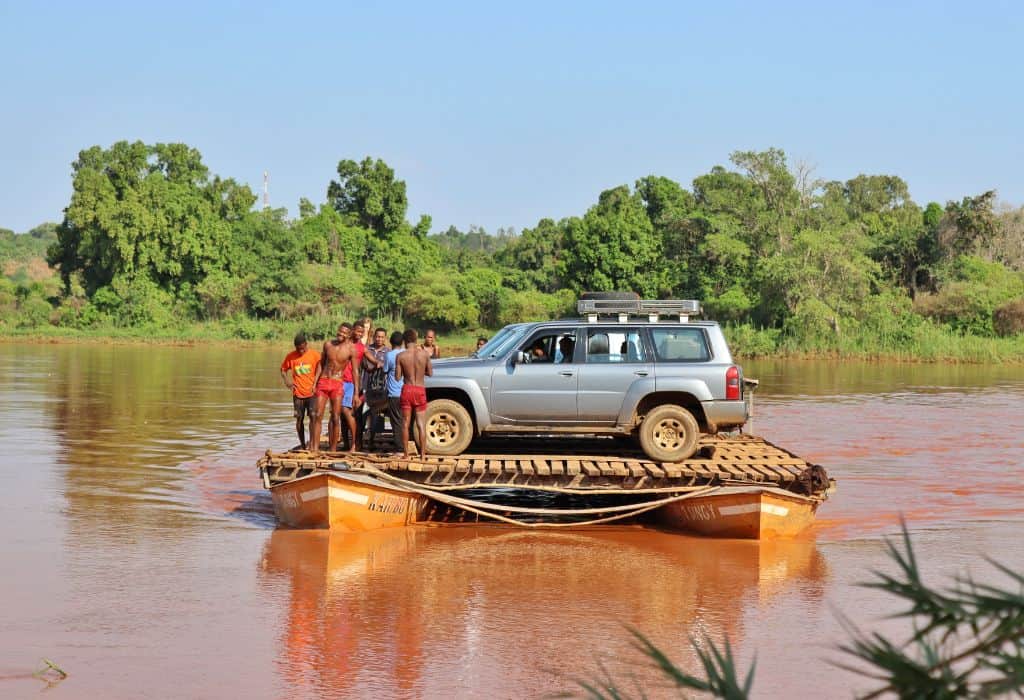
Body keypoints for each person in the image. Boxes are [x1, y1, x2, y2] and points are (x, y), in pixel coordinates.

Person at [310, 324, 360, 453]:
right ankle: (314, 448)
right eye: (340, 331)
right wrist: (315, 382)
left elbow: (355, 372)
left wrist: (355, 394)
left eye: (344, 333)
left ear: (349, 335)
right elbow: (321, 364)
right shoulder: (328, 344)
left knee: (335, 417)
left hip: (337, 383)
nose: (341, 334)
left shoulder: (351, 349)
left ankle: (333, 449)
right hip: (324, 381)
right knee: (317, 415)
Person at [341, 320, 380, 450]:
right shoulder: (344, 344)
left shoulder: (361, 347)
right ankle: (346, 444)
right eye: (358, 331)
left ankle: (356, 444)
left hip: (354, 384)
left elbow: (370, 359)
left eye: (362, 333)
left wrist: (378, 363)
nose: (359, 334)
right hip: (340, 382)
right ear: (352, 331)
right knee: (340, 415)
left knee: (353, 414)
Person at [395, 329, 433, 459]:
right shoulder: (425, 354)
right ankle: (422, 454)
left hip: (407, 389)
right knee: (421, 423)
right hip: (420, 389)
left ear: (405, 341)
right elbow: (430, 373)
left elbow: (397, 377)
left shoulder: (401, 356)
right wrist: (421, 372)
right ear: (416, 339)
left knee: (405, 423)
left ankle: (406, 454)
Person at [280, 333, 321, 449]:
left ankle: (312, 443)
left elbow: (321, 365)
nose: (301, 351)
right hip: (298, 393)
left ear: (306, 344)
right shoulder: (291, 356)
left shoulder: (314, 355)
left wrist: (316, 382)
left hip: (312, 391)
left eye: (303, 348)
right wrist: (286, 380)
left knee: (313, 416)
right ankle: (303, 445)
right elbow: (283, 369)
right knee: (299, 418)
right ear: (295, 347)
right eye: (298, 349)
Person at [360, 327, 389, 449]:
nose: (379, 339)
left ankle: (372, 439)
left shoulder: (388, 352)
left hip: (380, 388)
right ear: (374, 337)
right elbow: (363, 365)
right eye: (377, 336)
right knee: (362, 413)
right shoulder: (367, 349)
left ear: (385, 338)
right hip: (365, 385)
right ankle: (360, 440)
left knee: (375, 415)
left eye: (382, 337)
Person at [382, 331, 406, 453]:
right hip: (406, 392)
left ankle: (399, 448)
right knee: (405, 420)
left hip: (394, 393)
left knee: (396, 421)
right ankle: (406, 445)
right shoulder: (406, 354)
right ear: (402, 343)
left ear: (390, 342)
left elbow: (385, 370)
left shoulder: (389, 355)